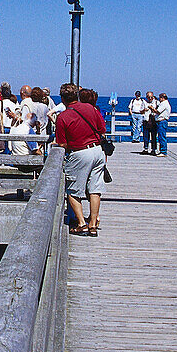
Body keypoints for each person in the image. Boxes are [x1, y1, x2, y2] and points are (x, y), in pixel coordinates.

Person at [55, 82, 107, 237]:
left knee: (73, 190)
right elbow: (102, 130)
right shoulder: (91, 108)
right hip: (97, 151)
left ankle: (81, 224)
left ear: (63, 98)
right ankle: (93, 224)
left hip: (79, 153)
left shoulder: (62, 117)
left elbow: (63, 143)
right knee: (95, 188)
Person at [155, 92, 171, 157]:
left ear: (162, 98)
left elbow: (158, 111)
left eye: (160, 98)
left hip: (162, 121)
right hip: (161, 122)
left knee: (162, 137)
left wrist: (152, 108)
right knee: (161, 136)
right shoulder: (166, 103)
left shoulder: (164, 104)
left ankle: (163, 151)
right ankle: (162, 150)